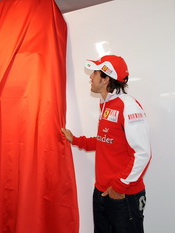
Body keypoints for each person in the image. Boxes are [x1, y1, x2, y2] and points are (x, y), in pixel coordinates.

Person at [61, 55, 152, 233]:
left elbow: (143, 154)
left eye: (94, 73)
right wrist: (76, 140)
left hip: (123, 195)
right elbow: (106, 140)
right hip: (102, 191)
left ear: (105, 78)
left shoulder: (129, 106)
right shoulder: (105, 104)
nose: (90, 77)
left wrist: (118, 188)